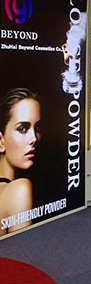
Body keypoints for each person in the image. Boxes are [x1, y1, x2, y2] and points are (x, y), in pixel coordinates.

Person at [0, 88, 41, 236]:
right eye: (23, 128)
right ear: (1, 141)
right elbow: (23, 248)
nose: (34, 138)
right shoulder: (19, 190)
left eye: (37, 128)